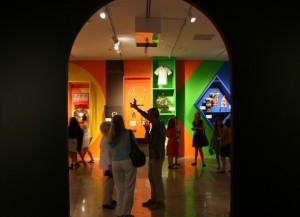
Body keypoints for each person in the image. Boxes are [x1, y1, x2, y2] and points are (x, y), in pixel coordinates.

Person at [130, 98, 166, 210]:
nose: (147, 117)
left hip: (157, 155)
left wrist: (136, 108)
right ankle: (154, 199)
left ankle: (160, 202)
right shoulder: (154, 126)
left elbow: (149, 117)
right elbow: (148, 140)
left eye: (150, 115)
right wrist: (146, 130)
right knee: (152, 177)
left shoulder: (160, 124)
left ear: (154, 115)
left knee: (157, 178)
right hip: (152, 155)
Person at [107, 115, 137, 217]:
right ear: (122, 122)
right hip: (128, 162)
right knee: (129, 188)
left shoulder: (111, 135)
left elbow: (110, 149)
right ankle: (126, 213)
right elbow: (136, 145)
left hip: (115, 163)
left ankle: (119, 213)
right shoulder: (128, 133)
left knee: (120, 189)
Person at [98, 121, 117, 209]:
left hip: (108, 164)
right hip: (108, 165)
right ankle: (106, 202)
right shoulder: (106, 140)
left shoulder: (106, 138)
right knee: (109, 184)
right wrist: (110, 166)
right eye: (110, 128)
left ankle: (109, 199)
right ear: (106, 130)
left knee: (110, 183)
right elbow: (106, 154)